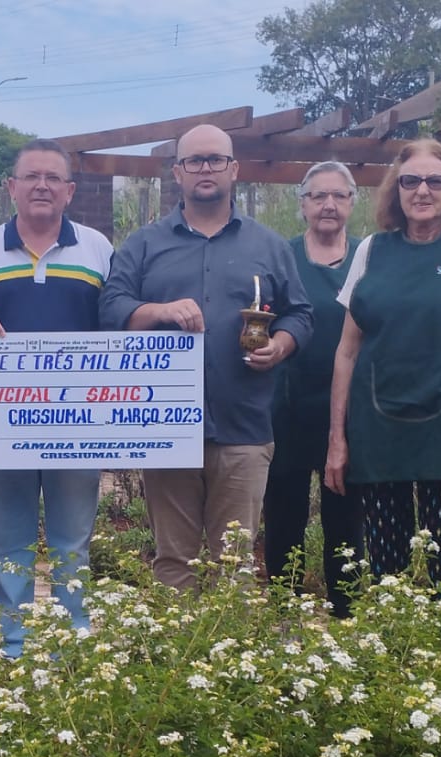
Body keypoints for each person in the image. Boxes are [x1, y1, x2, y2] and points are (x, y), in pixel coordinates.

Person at [100, 124, 313, 590]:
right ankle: (176, 660)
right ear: (177, 172)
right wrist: (158, 310)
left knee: (234, 566)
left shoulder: (268, 246)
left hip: (244, 427)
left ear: (234, 169)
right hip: (165, 426)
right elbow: (111, 309)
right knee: (173, 561)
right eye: (194, 161)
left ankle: (229, 660)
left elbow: (300, 314)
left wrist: (280, 345)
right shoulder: (144, 244)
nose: (205, 169)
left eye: (215, 159)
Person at [324, 140, 441, 593]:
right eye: (411, 181)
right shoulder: (372, 249)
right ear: (396, 189)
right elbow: (347, 351)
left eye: (435, 181)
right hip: (377, 423)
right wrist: (337, 438)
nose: (422, 191)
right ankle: (394, 650)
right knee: (386, 563)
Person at [0, 141, 113, 657]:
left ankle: (73, 644)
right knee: (6, 543)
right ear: (12, 188)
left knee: (72, 542)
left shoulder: (98, 249)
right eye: (31, 177)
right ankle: (15, 643)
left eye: (53, 178)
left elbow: (117, 327)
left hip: (77, 423)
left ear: (70, 191)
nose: (42, 185)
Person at [266, 161, 366, 615]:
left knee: (345, 514)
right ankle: (285, 608)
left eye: (338, 196)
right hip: (286, 405)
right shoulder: (280, 256)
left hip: (349, 407)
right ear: (302, 204)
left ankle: (345, 611)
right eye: (318, 196)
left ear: (351, 203)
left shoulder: (370, 257)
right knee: (284, 509)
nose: (328, 205)